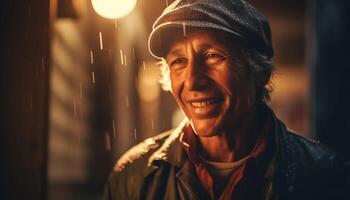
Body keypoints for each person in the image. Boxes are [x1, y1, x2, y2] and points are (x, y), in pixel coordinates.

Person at [103, 0, 349, 199]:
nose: (192, 81)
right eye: (179, 62)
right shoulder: (133, 178)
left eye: (212, 56)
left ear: (260, 71)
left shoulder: (326, 177)